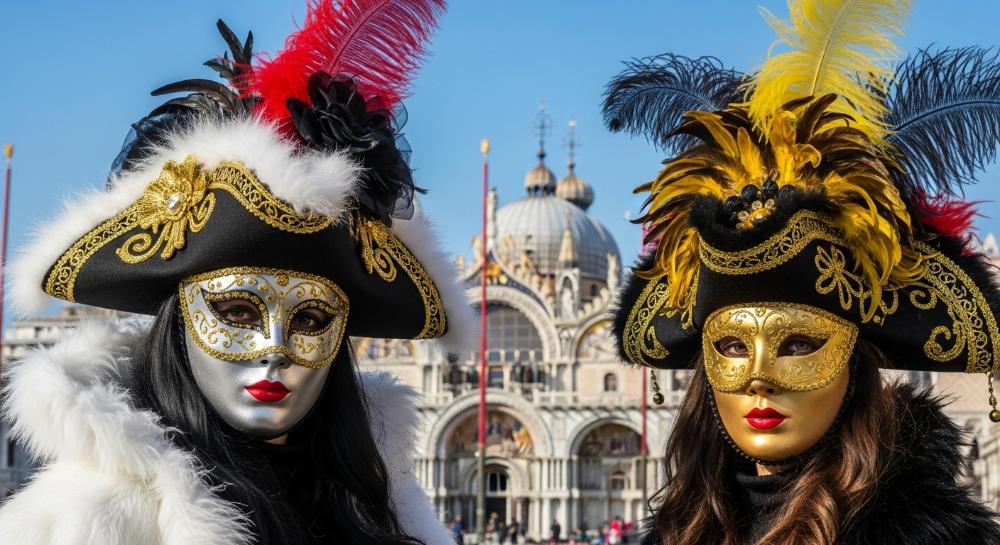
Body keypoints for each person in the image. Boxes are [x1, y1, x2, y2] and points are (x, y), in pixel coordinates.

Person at [0, 1, 473, 544]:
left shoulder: (388, 512)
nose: (275, 348)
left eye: (312, 318)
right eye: (238, 310)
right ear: (179, 325)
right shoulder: (81, 524)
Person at [603, 1, 1000, 544]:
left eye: (798, 344)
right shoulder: (681, 530)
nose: (760, 378)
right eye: (734, 347)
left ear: (853, 366)